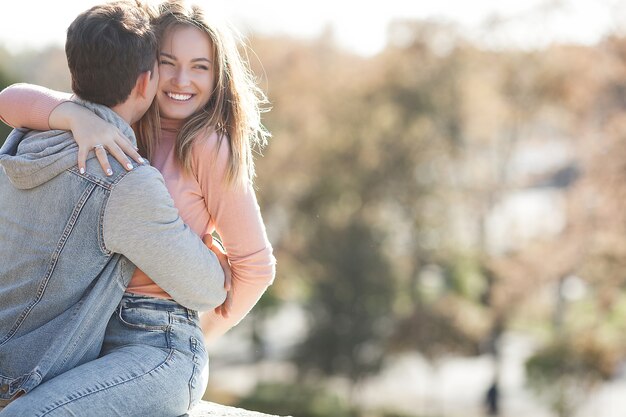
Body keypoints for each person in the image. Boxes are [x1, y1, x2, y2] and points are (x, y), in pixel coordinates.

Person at [0, 0, 276, 414]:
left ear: (218, 75)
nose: (183, 79)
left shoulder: (207, 145)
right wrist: (73, 116)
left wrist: (199, 333)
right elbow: (11, 100)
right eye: (169, 62)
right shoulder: (116, 126)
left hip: (154, 334)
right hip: (86, 327)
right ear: (147, 71)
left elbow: (255, 268)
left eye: (200, 66)